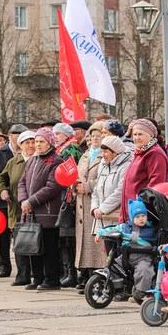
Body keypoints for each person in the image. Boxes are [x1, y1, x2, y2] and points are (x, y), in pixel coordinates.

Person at [18, 127, 65, 291]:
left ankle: (51, 279)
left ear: (50, 143)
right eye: (36, 141)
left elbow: (53, 187)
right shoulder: (32, 160)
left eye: (41, 142)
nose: (37, 145)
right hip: (31, 212)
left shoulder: (56, 161)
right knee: (34, 248)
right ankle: (37, 278)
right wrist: (23, 200)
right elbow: (22, 182)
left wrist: (31, 201)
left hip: (47, 212)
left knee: (49, 248)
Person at [0, 124, 29, 272]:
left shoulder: (28, 154)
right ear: (11, 136)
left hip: (20, 201)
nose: (21, 139)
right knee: (2, 237)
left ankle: (25, 268)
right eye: (19, 136)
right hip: (1, 201)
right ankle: (3, 266)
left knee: (21, 235)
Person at [95, 197, 156, 303]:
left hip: (143, 257)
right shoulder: (125, 227)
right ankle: (117, 287)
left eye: (143, 216)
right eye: (137, 216)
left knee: (144, 270)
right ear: (132, 218)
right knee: (113, 266)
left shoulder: (149, 229)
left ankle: (142, 291)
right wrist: (100, 233)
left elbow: (153, 241)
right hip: (127, 256)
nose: (141, 219)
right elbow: (112, 229)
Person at [0, 130, 36, 287]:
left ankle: (35, 272)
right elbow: (1, 178)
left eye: (33, 142)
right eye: (27, 143)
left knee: (34, 241)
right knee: (19, 243)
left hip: (34, 208)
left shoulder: (39, 160)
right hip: (16, 209)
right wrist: (2, 190)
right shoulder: (14, 162)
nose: (31, 145)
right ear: (20, 145)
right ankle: (22, 275)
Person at [74, 122, 107, 292]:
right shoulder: (85, 155)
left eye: (97, 136)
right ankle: (85, 276)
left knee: (95, 244)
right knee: (84, 243)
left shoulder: (105, 155)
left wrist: (86, 187)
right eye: (91, 136)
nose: (94, 139)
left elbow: (104, 179)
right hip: (81, 204)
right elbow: (77, 175)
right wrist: (75, 185)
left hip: (95, 202)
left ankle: (96, 279)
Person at [52, 122, 84, 287]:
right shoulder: (62, 148)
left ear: (65, 135)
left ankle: (71, 273)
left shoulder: (70, 149)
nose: (55, 137)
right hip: (64, 197)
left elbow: (68, 173)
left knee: (67, 236)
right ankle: (67, 271)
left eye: (57, 134)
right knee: (64, 237)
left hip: (68, 198)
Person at [120, 119, 168, 223]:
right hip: (132, 212)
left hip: (142, 216)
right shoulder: (140, 152)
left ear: (150, 136)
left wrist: (140, 208)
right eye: (135, 134)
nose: (137, 138)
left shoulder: (155, 154)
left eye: (140, 134)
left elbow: (156, 187)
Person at [91, 136, 133, 232]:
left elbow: (120, 191)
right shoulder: (103, 163)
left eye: (105, 151)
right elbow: (96, 188)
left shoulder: (126, 165)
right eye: (102, 151)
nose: (102, 155)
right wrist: (94, 207)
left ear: (115, 152)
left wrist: (102, 209)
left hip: (116, 220)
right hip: (102, 218)